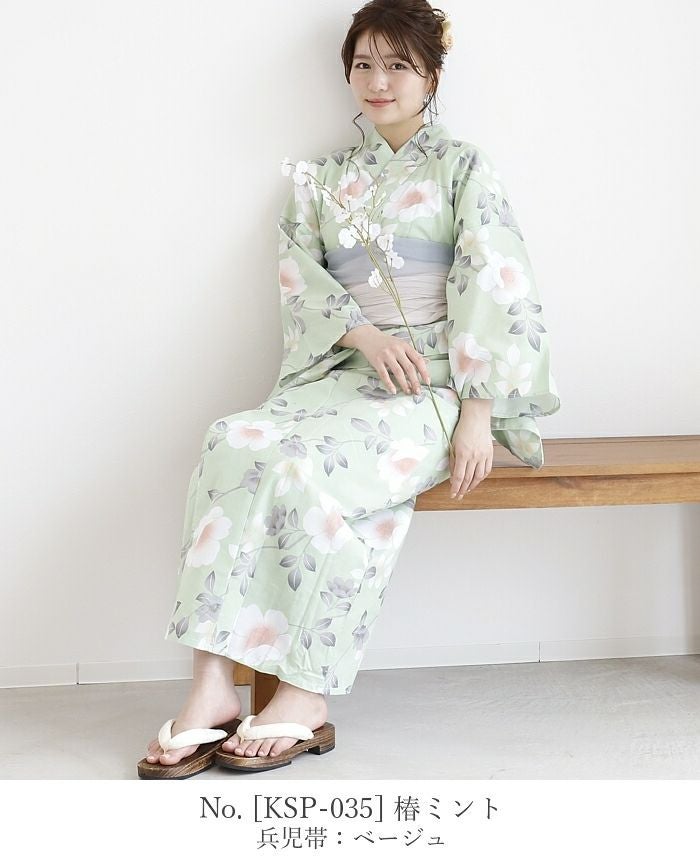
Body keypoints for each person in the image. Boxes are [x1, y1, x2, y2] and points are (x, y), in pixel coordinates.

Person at [139, 0, 560, 777]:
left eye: (398, 65)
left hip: (431, 391)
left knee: (309, 472)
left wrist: (476, 413)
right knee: (232, 441)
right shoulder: (324, 179)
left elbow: (498, 286)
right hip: (340, 375)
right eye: (364, 64)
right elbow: (301, 280)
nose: (378, 80)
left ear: (432, 76)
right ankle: (212, 686)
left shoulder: (463, 167)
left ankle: (303, 692)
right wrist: (363, 334)